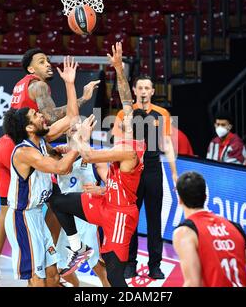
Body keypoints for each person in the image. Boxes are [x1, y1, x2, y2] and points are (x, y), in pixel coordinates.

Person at [0, 51, 98, 287]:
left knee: (9, 208)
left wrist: (73, 88)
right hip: (23, 149)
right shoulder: (39, 87)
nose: (48, 65)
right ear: (31, 69)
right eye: (42, 62)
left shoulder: (21, 86)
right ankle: (68, 250)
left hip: (6, 145)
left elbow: (69, 116)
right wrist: (78, 142)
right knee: (56, 199)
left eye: (48, 60)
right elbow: (52, 118)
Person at [49, 42, 146, 287]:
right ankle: (77, 246)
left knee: (114, 275)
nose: (117, 121)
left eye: (120, 122)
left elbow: (90, 156)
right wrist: (119, 70)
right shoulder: (128, 136)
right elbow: (126, 98)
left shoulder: (128, 150)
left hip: (120, 215)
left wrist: (80, 137)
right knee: (59, 201)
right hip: (105, 202)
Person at [1, 106, 80, 287]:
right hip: (22, 218)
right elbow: (61, 168)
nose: (42, 115)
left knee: (52, 275)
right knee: (38, 279)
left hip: (37, 216)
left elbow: (72, 117)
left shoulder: (41, 142)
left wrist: (69, 83)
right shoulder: (24, 152)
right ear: (29, 128)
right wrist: (79, 144)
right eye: (35, 115)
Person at [112, 75, 178, 280]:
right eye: (139, 87)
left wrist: (174, 173)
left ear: (152, 91)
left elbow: (167, 144)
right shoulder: (123, 114)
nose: (143, 91)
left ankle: (155, 265)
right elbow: (117, 143)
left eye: (146, 88)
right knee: (130, 217)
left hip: (152, 167)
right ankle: (130, 263)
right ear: (134, 90)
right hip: (131, 167)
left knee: (154, 218)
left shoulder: (162, 113)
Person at [173, 171, 246, 287]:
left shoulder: (185, 232)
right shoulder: (234, 227)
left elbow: (193, 283)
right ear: (205, 197)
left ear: (180, 200)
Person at [54, 143, 111, 287]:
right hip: (67, 220)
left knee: (98, 266)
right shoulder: (57, 156)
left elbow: (115, 188)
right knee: (61, 268)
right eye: (71, 129)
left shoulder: (95, 157)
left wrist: (101, 189)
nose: (75, 133)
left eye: (78, 129)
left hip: (89, 219)